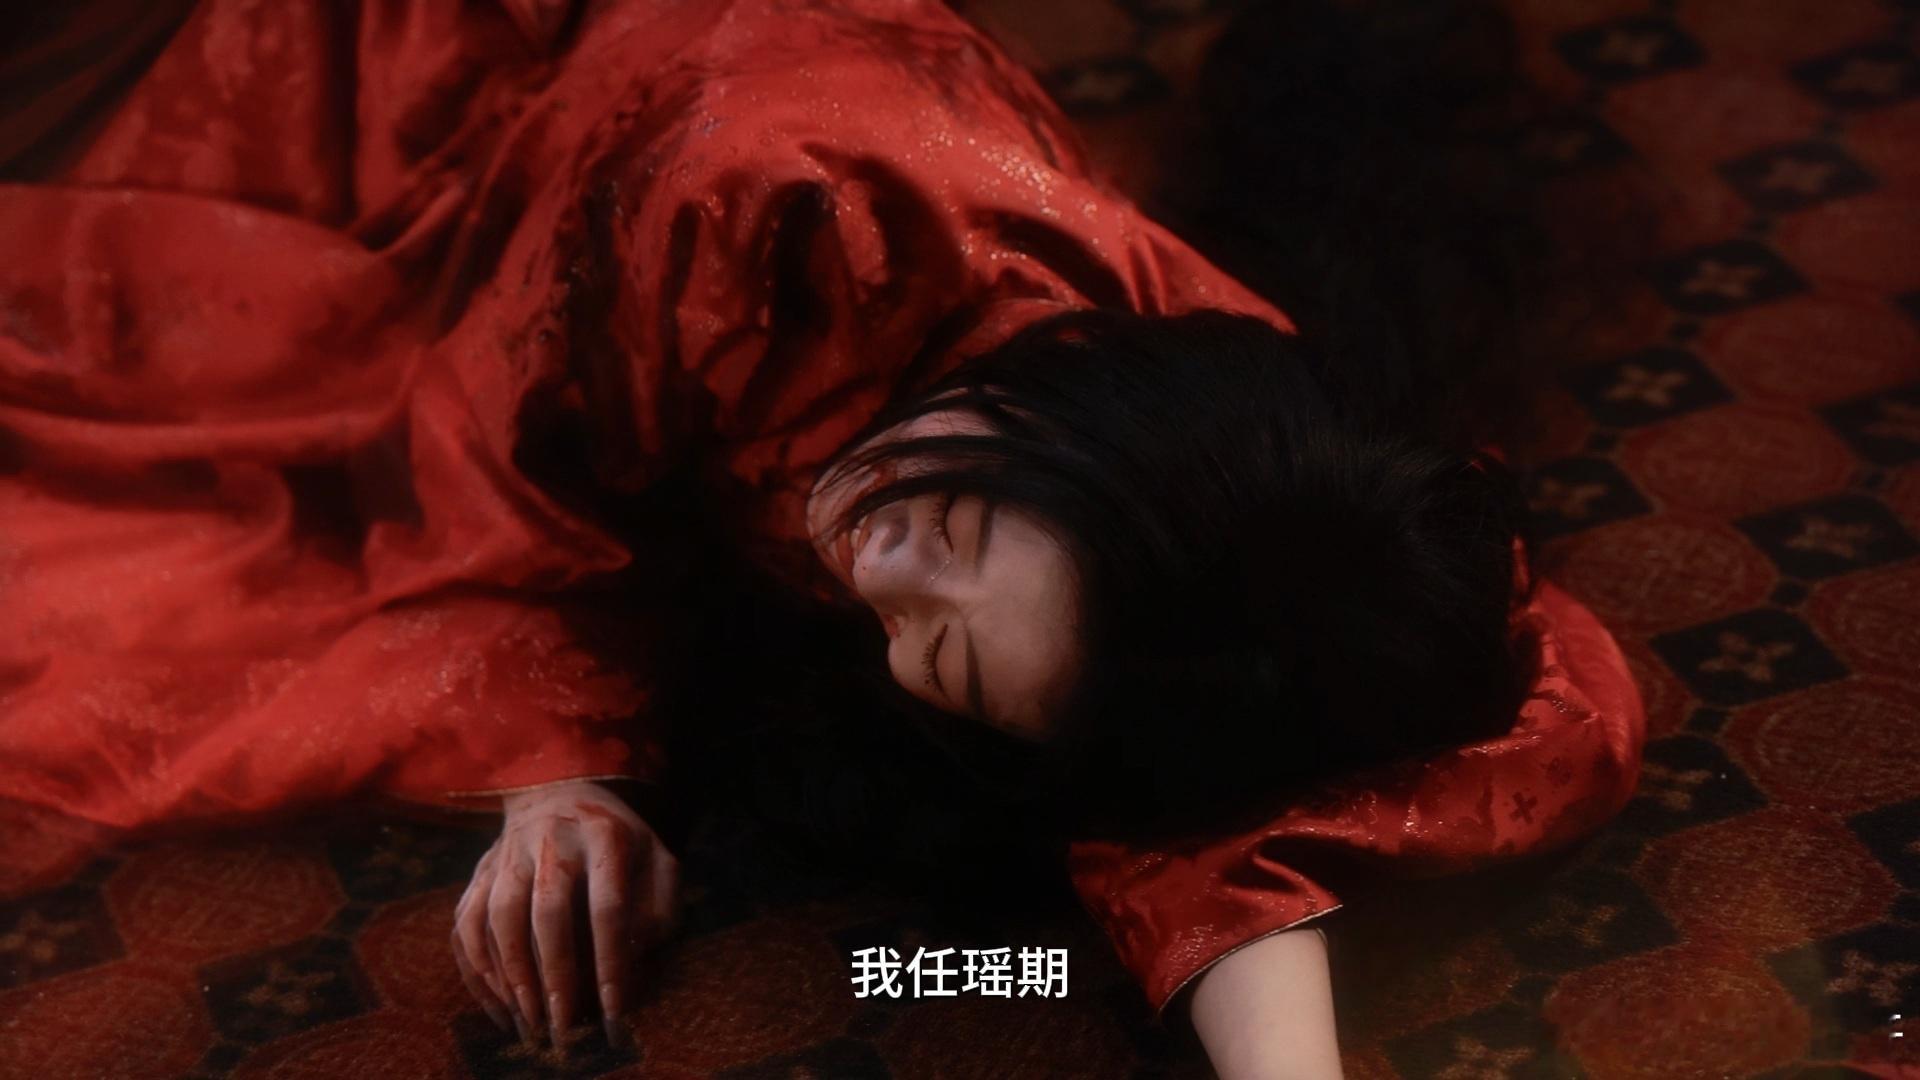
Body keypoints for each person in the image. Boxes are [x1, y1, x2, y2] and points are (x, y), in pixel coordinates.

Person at [0, 0, 1645, 1074]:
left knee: (963, 929)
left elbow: (1510, 726)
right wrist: (557, 773)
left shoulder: (1233, 461)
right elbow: (503, 440)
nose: (875, 575)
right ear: (1069, 425)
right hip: (457, 97)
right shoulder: (773, 195)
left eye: (940, 659)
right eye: (944, 528)